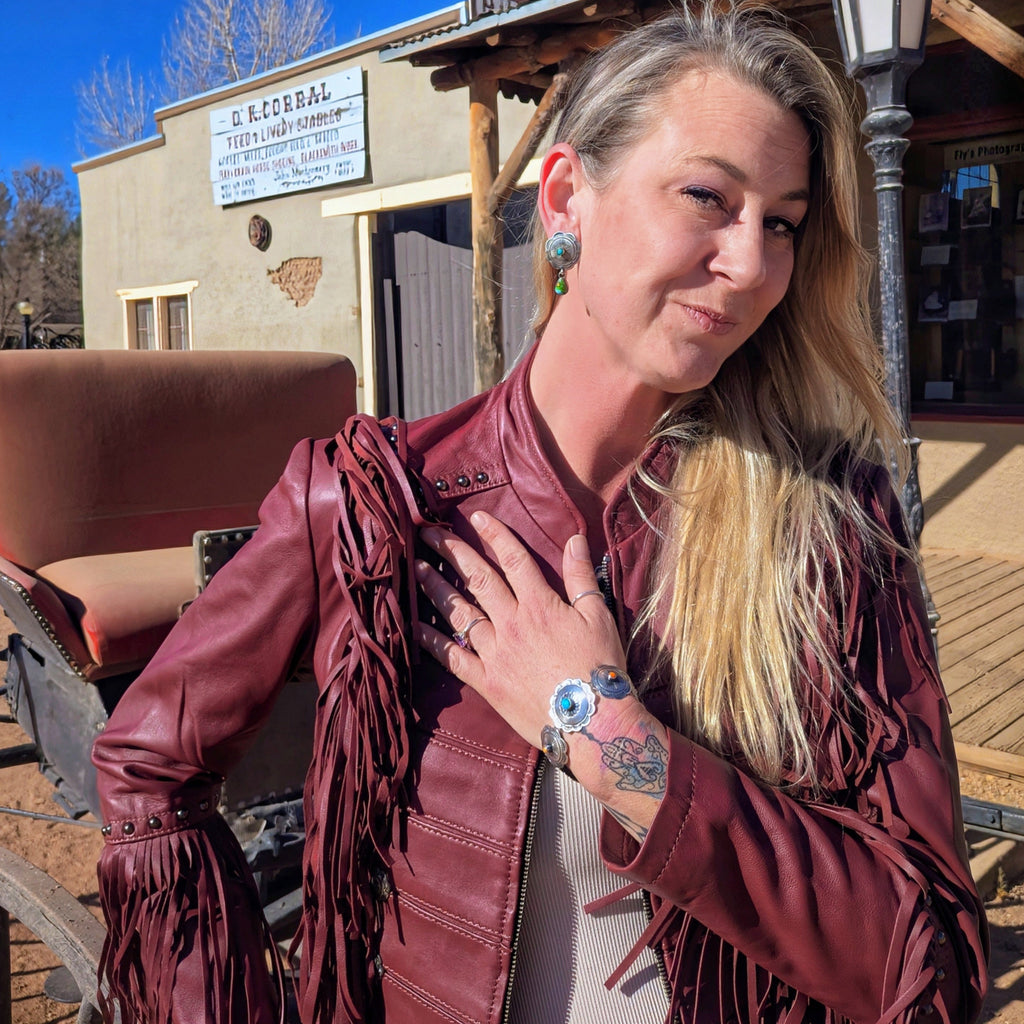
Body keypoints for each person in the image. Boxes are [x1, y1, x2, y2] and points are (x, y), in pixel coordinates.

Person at [91, 3, 989, 1023]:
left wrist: (605, 733)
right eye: (707, 196)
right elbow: (145, 768)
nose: (750, 264)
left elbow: (924, 958)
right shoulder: (379, 501)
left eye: (780, 222)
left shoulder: (827, 526)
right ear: (565, 197)